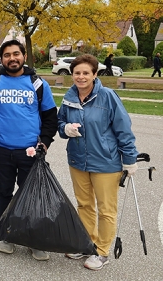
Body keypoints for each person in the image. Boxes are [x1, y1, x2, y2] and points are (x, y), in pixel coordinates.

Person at [58, 54, 138, 271]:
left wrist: (130, 159)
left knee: (106, 210)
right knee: (84, 205)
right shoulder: (69, 96)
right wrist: (65, 128)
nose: (81, 77)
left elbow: (123, 129)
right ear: (72, 75)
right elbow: (61, 122)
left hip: (106, 162)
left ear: (94, 74)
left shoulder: (108, 96)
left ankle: (101, 251)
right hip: (77, 161)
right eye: (77, 73)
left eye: (86, 73)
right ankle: (86, 243)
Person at [0, 40, 57, 261]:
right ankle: (8, 233)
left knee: (31, 194)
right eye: (7, 55)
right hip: (1, 149)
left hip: (30, 151)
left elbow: (50, 117)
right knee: (3, 193)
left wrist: (44, 142)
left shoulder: (38, 84)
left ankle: (33, 237)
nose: (12, 58)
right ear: (1, 58)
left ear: (24, 55)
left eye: (16, 54)